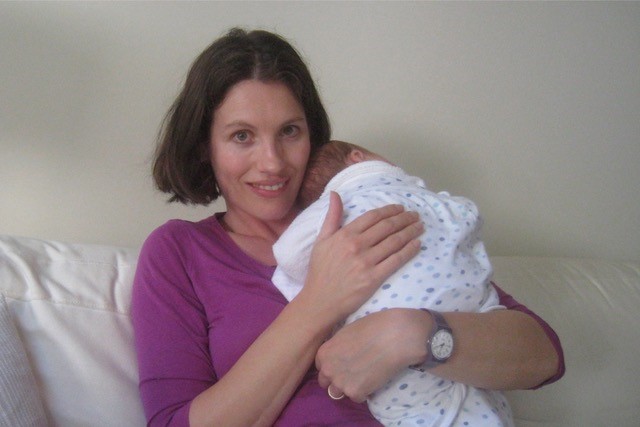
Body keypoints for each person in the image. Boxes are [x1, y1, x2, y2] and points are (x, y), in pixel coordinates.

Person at [131, 28, 564, 427]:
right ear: (204, 147)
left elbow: (543, 356)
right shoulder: (179, 253)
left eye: (290, 131)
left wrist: (412, 334)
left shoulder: (370, 210)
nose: (273, 162)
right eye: (242, 136)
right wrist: (320, 300)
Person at [272, 140, 513, 426]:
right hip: (469, 318)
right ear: (357, 157)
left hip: (407, 381)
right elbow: (469, 216)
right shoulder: (421, 196)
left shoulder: (335, 211)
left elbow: (287, 253)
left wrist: (309, 277)